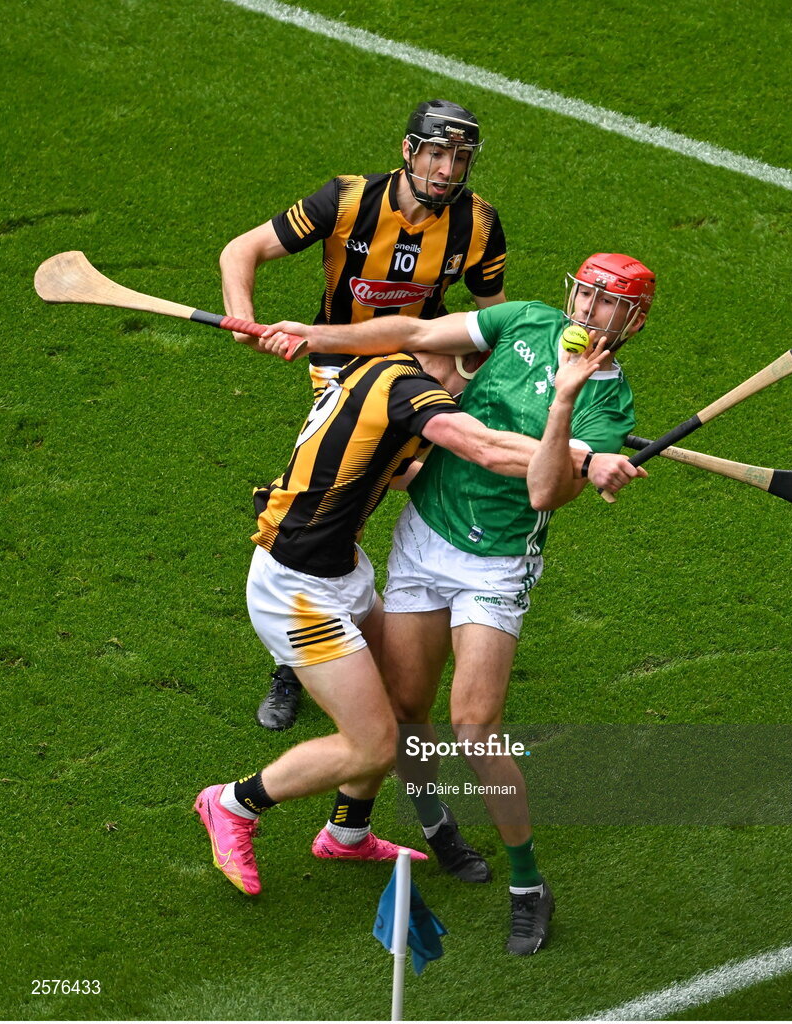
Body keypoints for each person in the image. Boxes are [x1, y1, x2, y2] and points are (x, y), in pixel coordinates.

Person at [259, 252, 655, 954]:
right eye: (585, 294)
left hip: (496, 563)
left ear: (633, 320)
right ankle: (437, 825)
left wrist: (565, 399)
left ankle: (528, 885)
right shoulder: (525, 319)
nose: (588, 312)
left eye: (606, 303)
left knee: (474, 728)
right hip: (423, 539)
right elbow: (409, 332)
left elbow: (543, 492)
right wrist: (314, 335)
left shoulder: (607, 404)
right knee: (408, 710)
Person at [194, 338, 632, 899]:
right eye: (467, 368)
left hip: (342, 573)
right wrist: (585, 458)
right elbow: (484, 448)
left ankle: (347, 831)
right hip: (296, 591)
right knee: (373, 744)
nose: (470, 385)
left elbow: (407, 472)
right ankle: (233, 803)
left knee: (399, 705)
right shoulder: (404, 386)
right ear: (435, 352)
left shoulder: (381, 380)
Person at [220, 99, 508, 732]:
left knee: (395, 487)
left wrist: (465, 375)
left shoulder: (478, 224)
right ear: (409, 151)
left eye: (460, 157)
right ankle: (293, 657)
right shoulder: (346, 200)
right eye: (437, 153)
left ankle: (378, 626)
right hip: (336, 362)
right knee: (332, 499)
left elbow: (492, 324)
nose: (448, 168)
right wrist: (242, 314)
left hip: (414, 372)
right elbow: (241, 251)